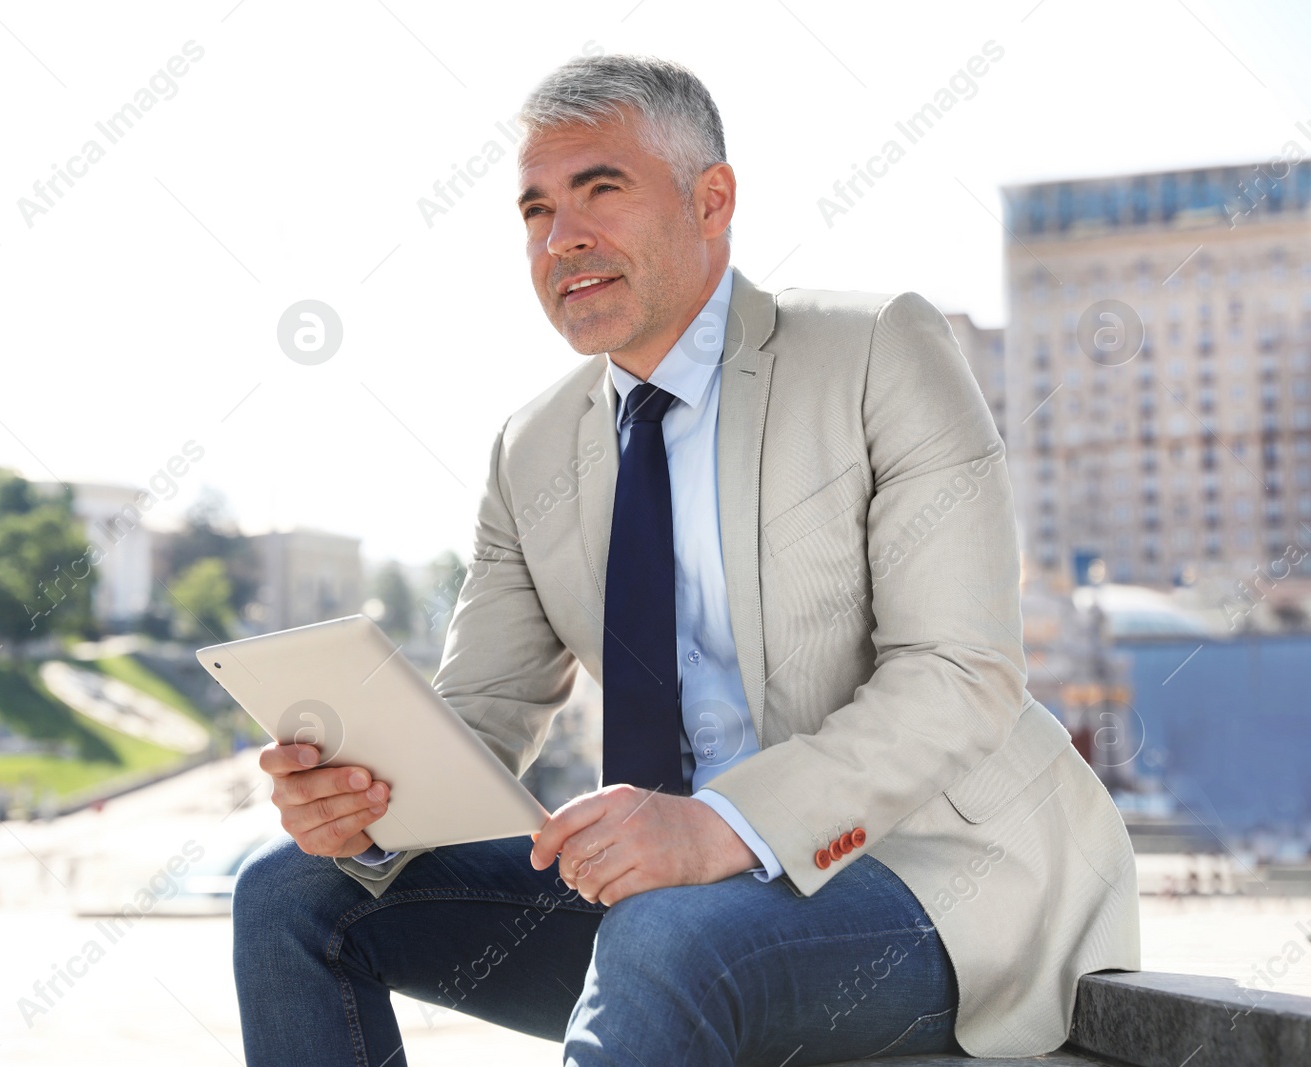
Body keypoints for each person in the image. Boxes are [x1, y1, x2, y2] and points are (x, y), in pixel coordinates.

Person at [233, 54, 1140, 1066]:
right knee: (289, 893)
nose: (560, 236)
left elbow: (961, 674)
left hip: (940, 880)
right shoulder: (528, 451)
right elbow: (475, 723)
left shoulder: (879, 349)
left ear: (712, 200)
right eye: (534, 210)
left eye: (600, 190)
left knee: (666, 929)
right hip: (668, 903)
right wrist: (366, 807)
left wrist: (718, 825)